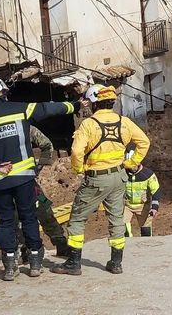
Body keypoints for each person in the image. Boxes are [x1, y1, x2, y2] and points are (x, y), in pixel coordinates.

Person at [0, 74, 77, 281]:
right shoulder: (18, 109)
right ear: (0, 93)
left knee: (5, 222)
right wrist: (73, 105)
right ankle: (34, 262)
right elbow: (47, 109)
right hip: (24, 179)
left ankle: (9, 266)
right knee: (29, 217)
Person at [52, 84, 149, 276]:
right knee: (116, 219)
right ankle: (116, 262)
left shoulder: (88, 124)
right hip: (119, 177)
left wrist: (79, 168)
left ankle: (73, 262)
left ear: (95, 103)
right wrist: (131, 163)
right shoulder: (124, 122)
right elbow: (144, 142)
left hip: (97, 179)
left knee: (77, 218)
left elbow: (77, 151)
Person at [16, 126, 70, 262]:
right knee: (16, 216)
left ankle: (60, 242)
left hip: (29, 182)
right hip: (7, 184)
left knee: (44, 207)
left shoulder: (25, 127)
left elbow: (47, 145)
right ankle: (24, 248)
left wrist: (39, 166)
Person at [124, 160, 161, 237]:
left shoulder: (148, 174)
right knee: (123, 228)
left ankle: (146, 247)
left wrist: (154, 207)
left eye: (135, 164)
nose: (133, 167)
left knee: (146, 229)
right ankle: (127, 245)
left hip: (143, 206)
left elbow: (156, 190)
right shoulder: (122, 173)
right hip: (126, 206)